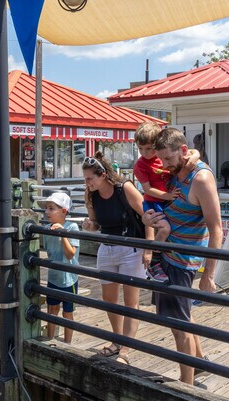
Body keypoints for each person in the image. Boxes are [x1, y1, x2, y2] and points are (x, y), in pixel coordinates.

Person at [142, 127, 222, 384]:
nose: (164, 165)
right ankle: (197, 363)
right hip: (168, 254)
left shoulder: (201, 179)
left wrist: (209, 274)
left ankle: (186, 386)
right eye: (162, 159)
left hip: (181, 260)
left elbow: (216, 228)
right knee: (183, 316)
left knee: (179, 327)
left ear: (183, 151)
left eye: (167, 159)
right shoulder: (179, 170)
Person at [81, 152, 154, 365]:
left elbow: (147, 215)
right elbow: (96, 224)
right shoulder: (91, 194)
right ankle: (116, 338)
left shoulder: (124, 189)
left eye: (89, 178)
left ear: (102, 175)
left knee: (131, 302)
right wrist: (89, 226)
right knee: (110, 299)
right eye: (85, 179)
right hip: (107, 247)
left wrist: (148, 248)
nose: (87, 183)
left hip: (131, 248)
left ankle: (126, 348)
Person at [133, 122, 200, 282]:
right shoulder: (140, 165)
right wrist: (169, 196)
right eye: (140, 148)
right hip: (154, 202)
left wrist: (195, 156)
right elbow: (148, 190)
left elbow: (191, 151)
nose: (144, 152)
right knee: (165, 229)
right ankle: (154, 260)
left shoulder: (164, 155)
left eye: (148, 148)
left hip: (167, 200)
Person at [37, 192, 80, 344]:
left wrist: (62, 233)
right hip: (53, 276)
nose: (46, 212)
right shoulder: (47, 229)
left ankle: (68, 343)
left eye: (51, 208)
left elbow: (70, 254)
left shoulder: (72, 226)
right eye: (46, 209)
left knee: (68, 312)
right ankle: (50, 339)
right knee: (52, 310)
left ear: (64, 211)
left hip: (69, 279)